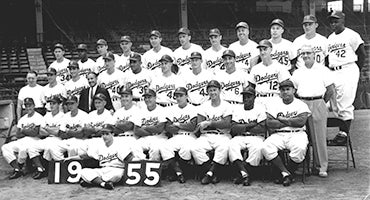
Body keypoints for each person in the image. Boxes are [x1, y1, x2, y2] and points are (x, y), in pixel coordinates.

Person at [291, 45, 336, 178]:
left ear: (314, 54)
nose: (306, 56)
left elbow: (330, 90)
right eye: (303, 53)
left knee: (319, 137)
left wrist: (322, 103)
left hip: (318, 102)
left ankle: (321, 166)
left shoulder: (323, 70)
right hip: (302, 103)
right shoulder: (298, 72)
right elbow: (293, 89)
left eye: (308, 53)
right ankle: (304, 167)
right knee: (302, 135)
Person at [262, 80, 311, 186]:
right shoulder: (274, 104)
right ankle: (286, 173)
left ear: (293, 90)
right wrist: (290, 121)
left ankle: (287, 173)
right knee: (266, 146)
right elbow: (269, 122)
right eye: (283, 90)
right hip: (279, 134)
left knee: (300, 148)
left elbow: (301, 122)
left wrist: (281, 120)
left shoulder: (300, 104)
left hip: (297, 133)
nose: (285, 92)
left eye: (288, 89)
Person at [326, 11, 365, 145]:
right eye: (331, 21)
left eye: (336, 21)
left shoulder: (352, 35)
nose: (333, 24)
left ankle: (343, 135)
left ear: (343, 21)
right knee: (333, 102)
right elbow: (327, 58)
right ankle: (341, 132)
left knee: (345, 103)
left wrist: (355, 71)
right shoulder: (330, 38)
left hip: (348, 69)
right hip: (333, 71)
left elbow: (362, 53)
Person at [66, 124, 134, 190]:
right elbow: (86, 156)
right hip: (103, 169)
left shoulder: (119, 145)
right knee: (83, 172)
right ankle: (103, 184)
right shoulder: (99, 146)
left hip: (116, 169)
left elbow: (130, 158)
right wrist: (71, 158)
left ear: (112, 134)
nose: (104, 136)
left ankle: (94, 181)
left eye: (107, 134)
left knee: (116, 175)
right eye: (103, 134)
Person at [191, 80, 232, 185]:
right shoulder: (204, 106)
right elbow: (200, 125)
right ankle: (213, 172)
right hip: (206, 136)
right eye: (210, 90)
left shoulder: (226, 105)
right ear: (207, 92)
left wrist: (209, 123)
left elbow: (227, 124)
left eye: (215, 90)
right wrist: (218, 123)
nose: (213, 92)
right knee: (195, 148)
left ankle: (209, 174)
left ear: (220, 91)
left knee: (224, 148)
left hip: (222, 135)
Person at [228, 86, 266, 186]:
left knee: (258, 148)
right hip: (240, 136)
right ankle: (246, 174)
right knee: (232, 144)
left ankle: (243, 173)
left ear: (254, 97)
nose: (245, 99)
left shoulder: (260, 109)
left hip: (256, 136)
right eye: (244, 96)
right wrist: (251, 125)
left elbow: (261, 128)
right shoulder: (237, 109)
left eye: (249, 96)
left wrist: (242, 126)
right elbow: (233, 128)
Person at [160, 87, 198, 183]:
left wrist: (178, 125)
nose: (178, 98)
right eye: (177, 96)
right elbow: (168, 127)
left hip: (190, 136)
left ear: (186, 96)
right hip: (176, 136)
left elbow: (192, 126)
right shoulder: (171, 109)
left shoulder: (193, 108)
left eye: (181, 95)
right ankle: (179, 173)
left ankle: (183, 172)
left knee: (186, 150)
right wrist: (184, 126)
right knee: (164, 147)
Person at [1, 98, 45, 179]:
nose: (28, 108)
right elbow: (18, 134)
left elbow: (36, 133)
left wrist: (24, 130)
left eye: (30, 105)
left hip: (34, 140)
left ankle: (25, 166)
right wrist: (29, 131)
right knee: (5, 147)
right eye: (26, 106)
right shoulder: (22, 119)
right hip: (22, 140)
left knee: (23, 149)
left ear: (34, 106)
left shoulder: (39, 117)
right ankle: (17, 169)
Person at [27, 96, 65, 179]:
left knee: (50, 148)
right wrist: (52, 130)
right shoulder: (47, 116)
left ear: (59, 104)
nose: (51, 105)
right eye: (50, 103)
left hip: (58, 139)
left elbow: (59, 132)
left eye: (54, 103)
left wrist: (47, 128)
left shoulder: (63, 116)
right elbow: (40, 131)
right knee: (31, 147)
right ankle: (41, 169)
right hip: (48, 138)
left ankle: (61, 170)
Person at [249, 40, 291, 107]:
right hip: (259, 99)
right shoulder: (255, 69)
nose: (262, 52)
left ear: (271, 49)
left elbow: (286, 85)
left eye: (265, 49)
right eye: (260, 50)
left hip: (274, 98)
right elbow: (251, 87)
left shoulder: (280, 67)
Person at [108, 87, 146, 160]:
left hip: (131, 138)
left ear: (131, 97)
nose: (124, 99)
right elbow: (111, 128)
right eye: (122, 96)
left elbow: (130, 126)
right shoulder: (118, 112)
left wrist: (118, 125)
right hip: (118, 138)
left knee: (138, 159)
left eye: (126, 96)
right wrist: (122, 125)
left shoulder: (137, 110)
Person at [49, 95, 89, 160]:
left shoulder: (84, 115)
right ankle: (62, 163)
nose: (70, 105)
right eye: (68, 104)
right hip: (68, 140)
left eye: (72, 103)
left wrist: (68, 132)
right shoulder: (65, 116)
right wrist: (75, 132)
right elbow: (61, 133)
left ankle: (70, 165)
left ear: (77, 103)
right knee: (53, 147)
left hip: (81, 141)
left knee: (72, 148)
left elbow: (83, 133)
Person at [133, 89, 167, 161]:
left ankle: (154, 167)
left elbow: (159, 129)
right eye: (146, 98)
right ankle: (143, 163)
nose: (147, 100)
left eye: (149, 97)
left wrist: (144, 128)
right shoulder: (141, 111)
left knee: (155, 149)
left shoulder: (162, 110)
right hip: (145, 137)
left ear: (155, 98)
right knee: (135, 146)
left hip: (159, 137)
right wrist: (152, 129)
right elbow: (136, 130)